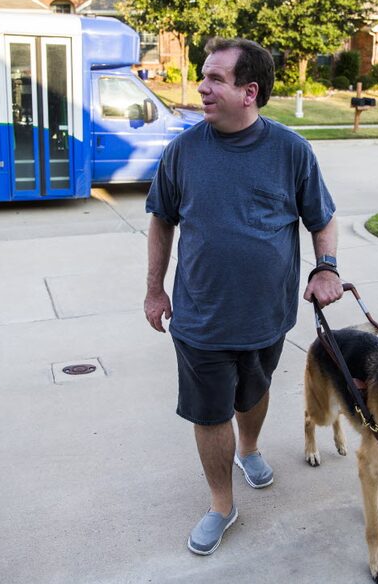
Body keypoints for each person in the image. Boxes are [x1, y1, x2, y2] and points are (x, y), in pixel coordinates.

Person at [144, 37, 342, 556]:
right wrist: (153, 290)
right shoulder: (183, 151)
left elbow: (322, 219)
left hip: (266, 314)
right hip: (200, 317)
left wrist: (327, 269)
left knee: (252, 394)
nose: (202, 88)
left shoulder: (291, 151)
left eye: (214, 79)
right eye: (203, 77)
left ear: (249, 91)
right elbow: (161, 220)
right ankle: (221, 505)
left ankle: (249, 447)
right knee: (209, 413)